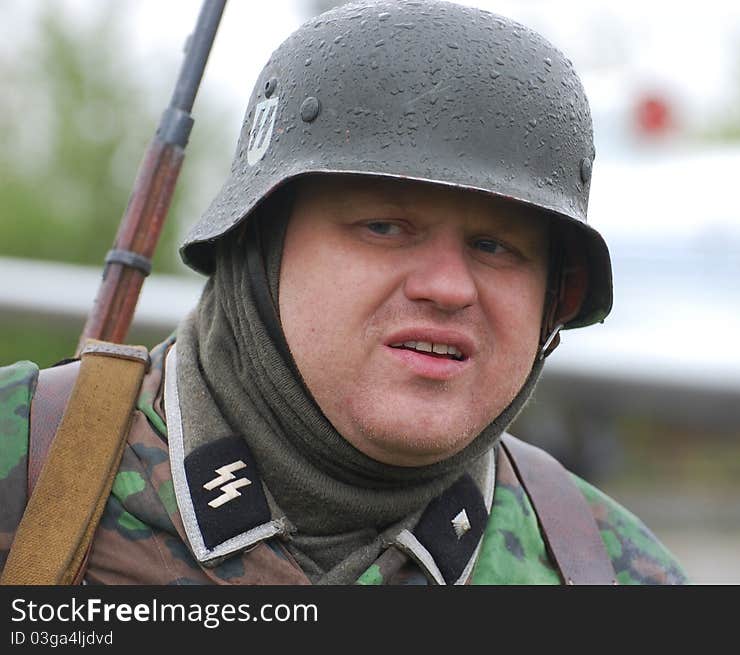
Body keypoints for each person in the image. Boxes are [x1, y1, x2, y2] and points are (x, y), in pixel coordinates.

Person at [0, 0, 686, 585]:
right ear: (258, 248)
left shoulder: (607, 567)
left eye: (496, 246)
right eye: (384, 226)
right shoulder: (26, 468)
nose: (448, 288)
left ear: (555, 298)